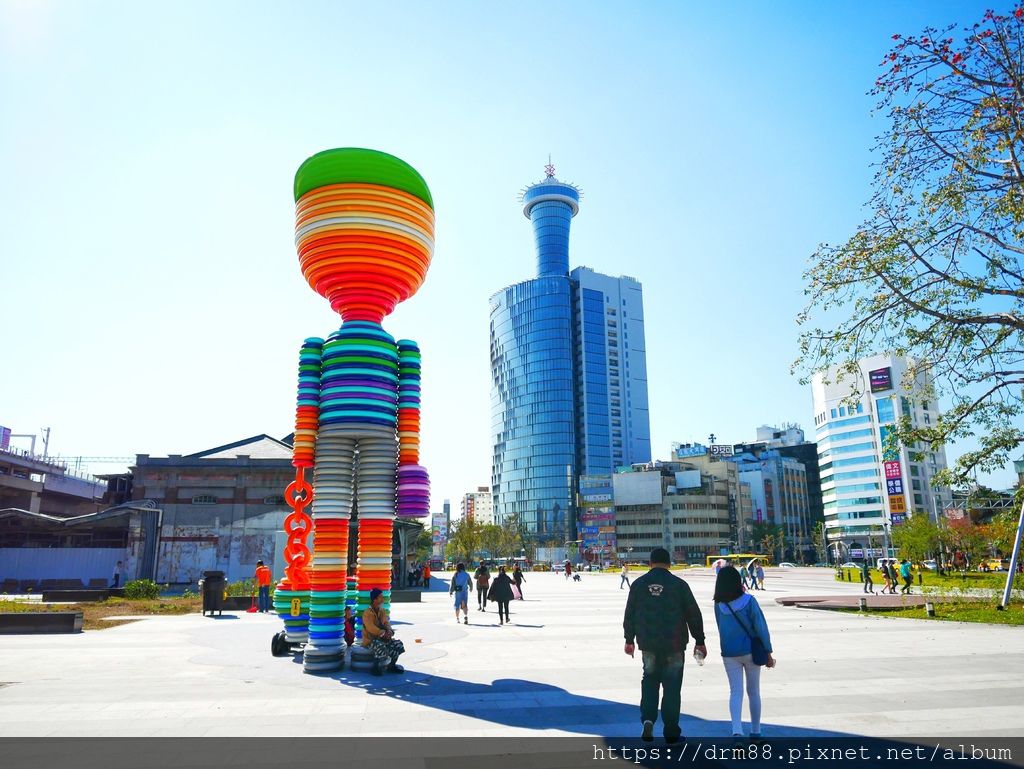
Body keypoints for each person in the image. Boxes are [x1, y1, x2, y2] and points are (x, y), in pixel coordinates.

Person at [623, 547, 707, 745]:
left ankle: (649, 719)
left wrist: (629, 640)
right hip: (675, 644)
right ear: (669, 564)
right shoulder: (679, 585)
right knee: (672, 687)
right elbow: (693, 614)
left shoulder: (638, 585)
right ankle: (671, 732)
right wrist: (700, 640)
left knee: (649, 680)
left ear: (650, 563)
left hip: (648, 644)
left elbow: (630, 614)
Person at [714, 565, 775, 742]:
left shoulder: (719, 605)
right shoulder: (749, 601)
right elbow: (761, 628)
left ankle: (737, 730)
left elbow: (720, 628)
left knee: (735, 691)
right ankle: (756, 731)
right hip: (751, 652)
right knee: (753, 691)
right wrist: (768, 652)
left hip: (729, 653)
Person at [362, 588, 405, 675]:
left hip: (382, 638)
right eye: (380, 597)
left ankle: (391, 666)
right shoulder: (367, 612)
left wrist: (389, 630)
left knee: (398, 644)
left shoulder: (382, 611)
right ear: (375, 599)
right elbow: (370, 627)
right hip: (371, 640)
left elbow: (386, 622)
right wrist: (382, 633)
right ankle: (375, 667)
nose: (383, 599)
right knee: (380, 646)